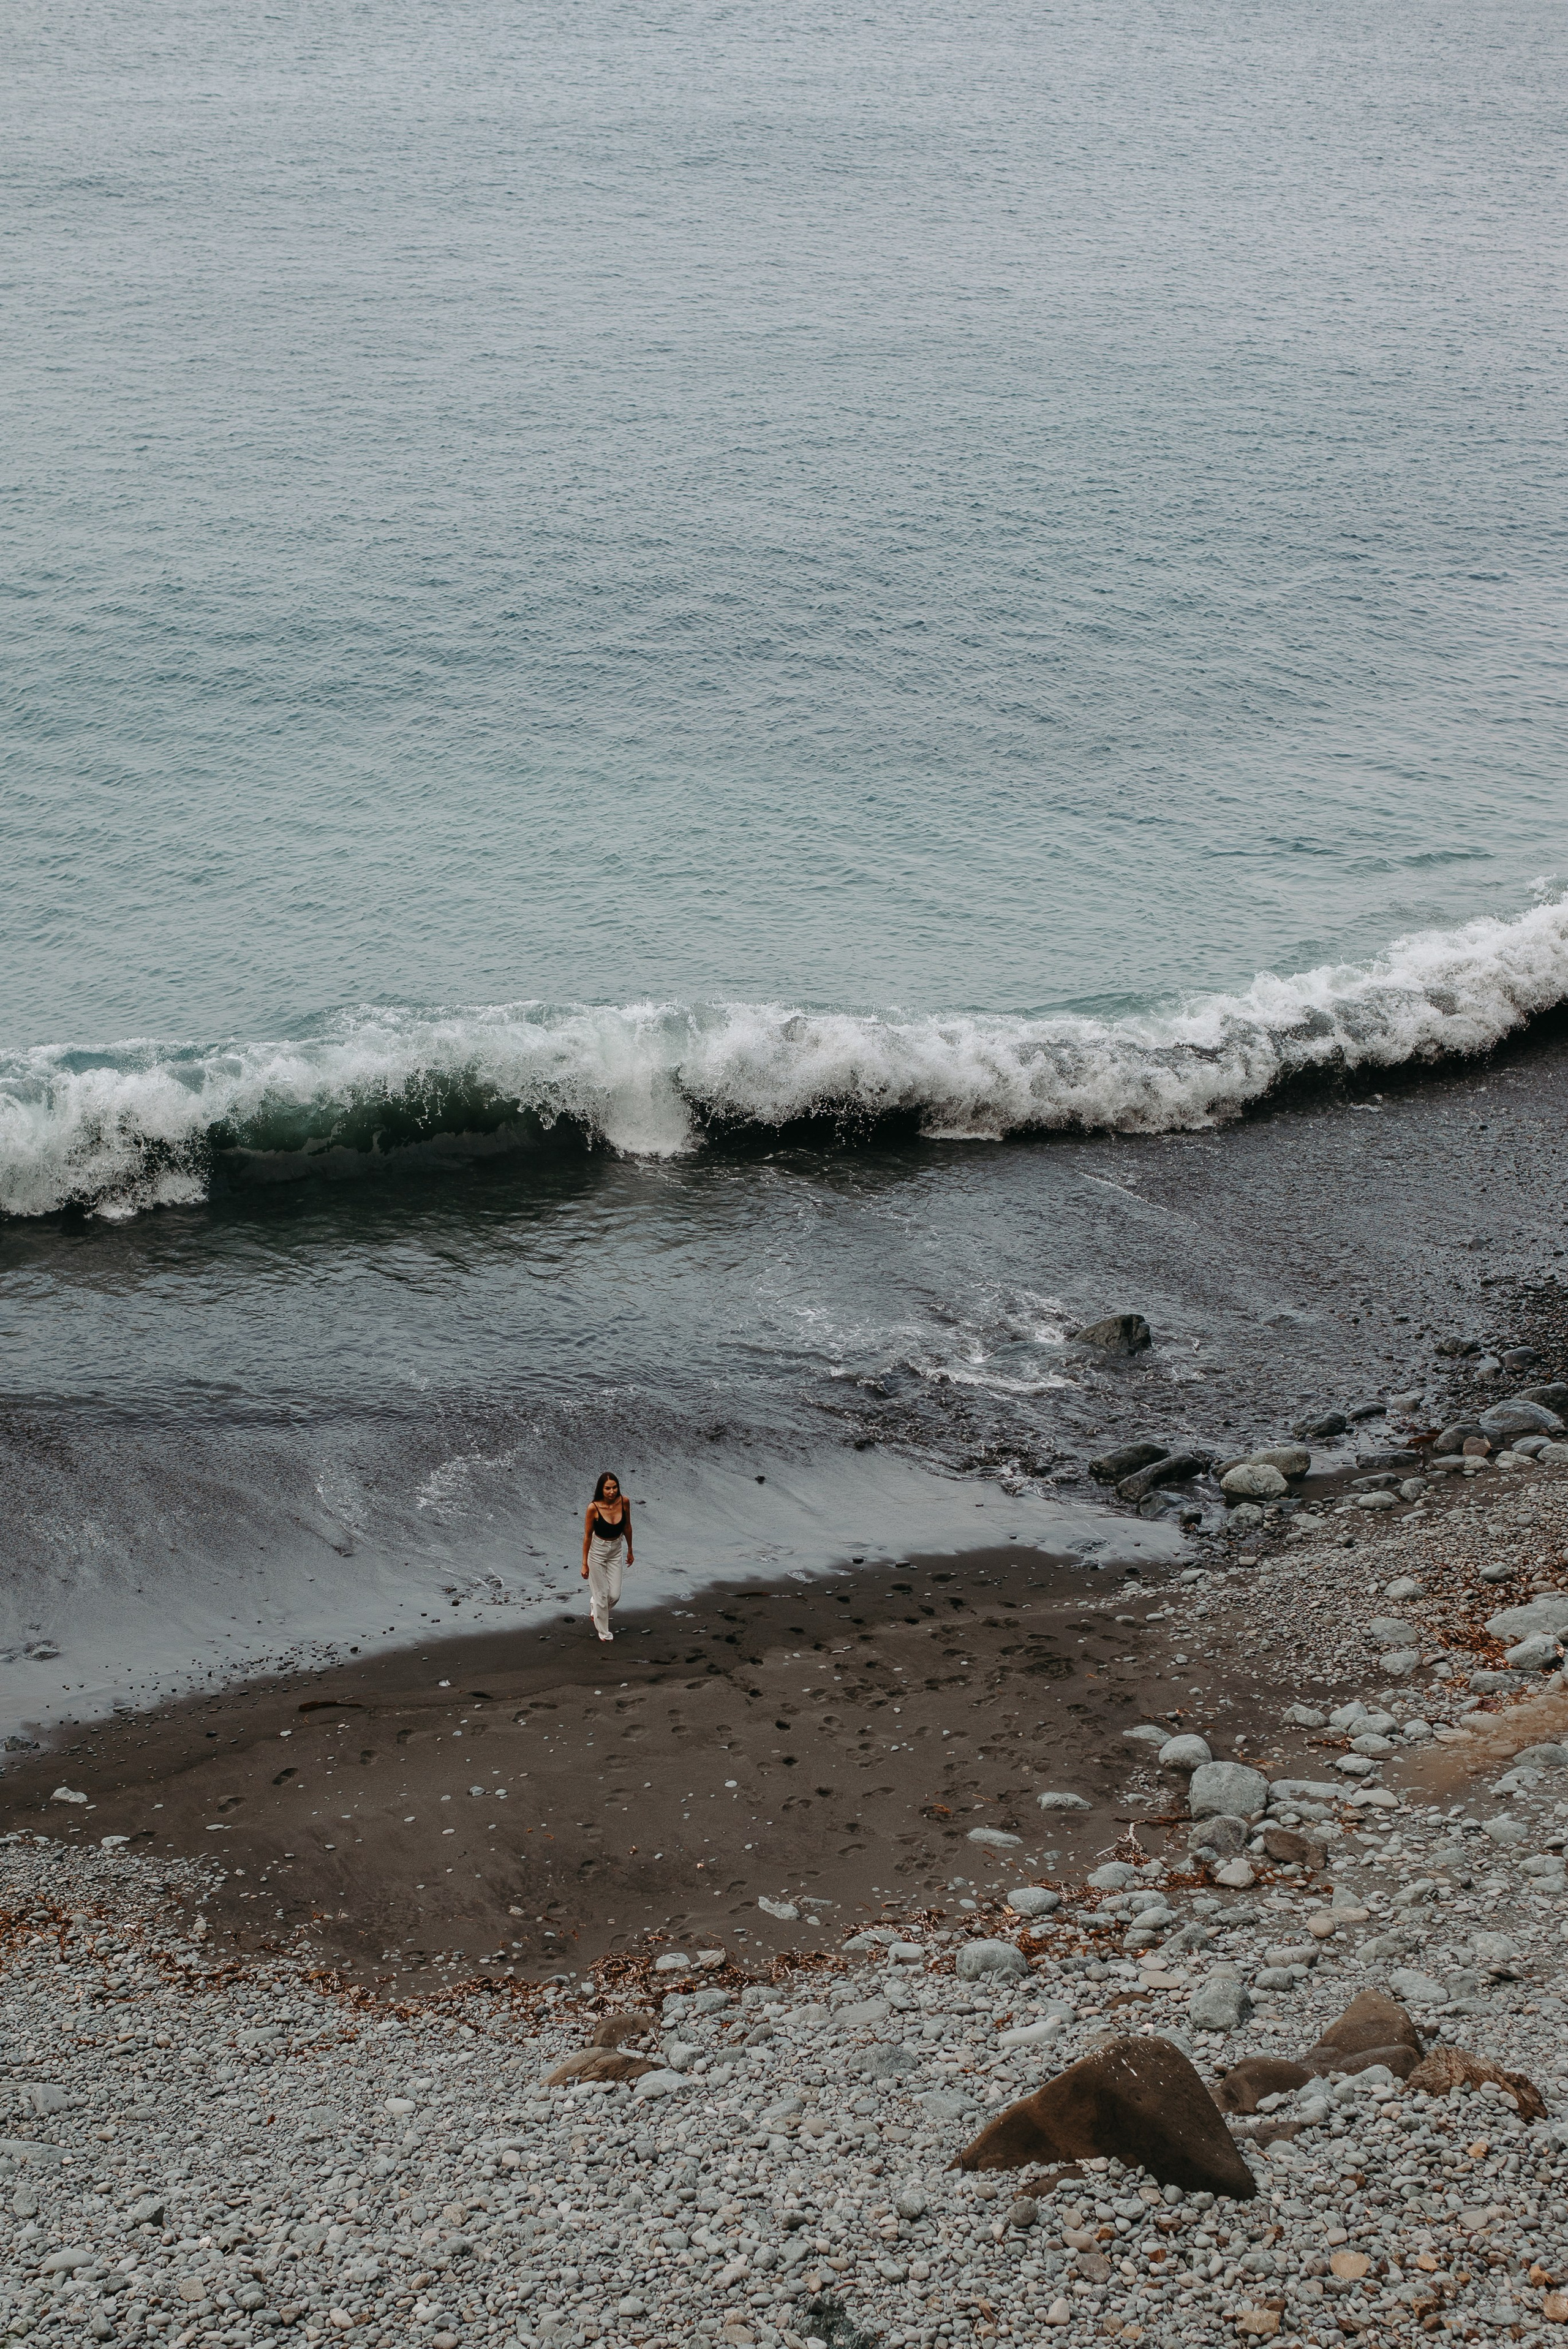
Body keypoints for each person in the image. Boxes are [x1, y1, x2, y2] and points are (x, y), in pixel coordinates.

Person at [581, 1471, 633, 1641]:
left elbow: (627, 1527)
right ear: (601, 1490)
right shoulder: (593, 1508)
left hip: (616, 1550)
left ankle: (595, 1606)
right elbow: (587, 1536)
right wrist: (584, 1564)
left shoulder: (624, 1502)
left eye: (615, 1487)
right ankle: (604, 1634)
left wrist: (630, 1550)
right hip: (597, 1552)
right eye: (608, 1488)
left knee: (615, 1595)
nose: (612, 1492)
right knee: (602, 1596)